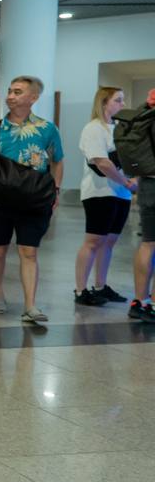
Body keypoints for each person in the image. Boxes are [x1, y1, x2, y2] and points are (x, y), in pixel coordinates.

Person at [0, 75, 64, 325]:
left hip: (33, 198)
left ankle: (30, 306)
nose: (10, 96)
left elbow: (57, 160)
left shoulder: (47, 129)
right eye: (10, 91)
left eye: (17, 92)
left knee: (29, 251)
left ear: (33, 97)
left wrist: (56, 190)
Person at [75, 87, 137, 306]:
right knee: (93, 242)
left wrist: (132, 180)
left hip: (121, 194)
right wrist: (127, 182)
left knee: (109, 242)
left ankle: (100, 286)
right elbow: (102, 163)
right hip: (100, 192)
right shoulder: (94, 128)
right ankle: (81, 290)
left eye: (123, 100)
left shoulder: (119, 130)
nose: (122, 104)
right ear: (104, 103)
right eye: (118, 100)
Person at [132, 90, 155, 323]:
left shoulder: (143, 113)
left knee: (148, 243)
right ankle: (154, 305)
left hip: (147, 184)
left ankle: (139, 301)